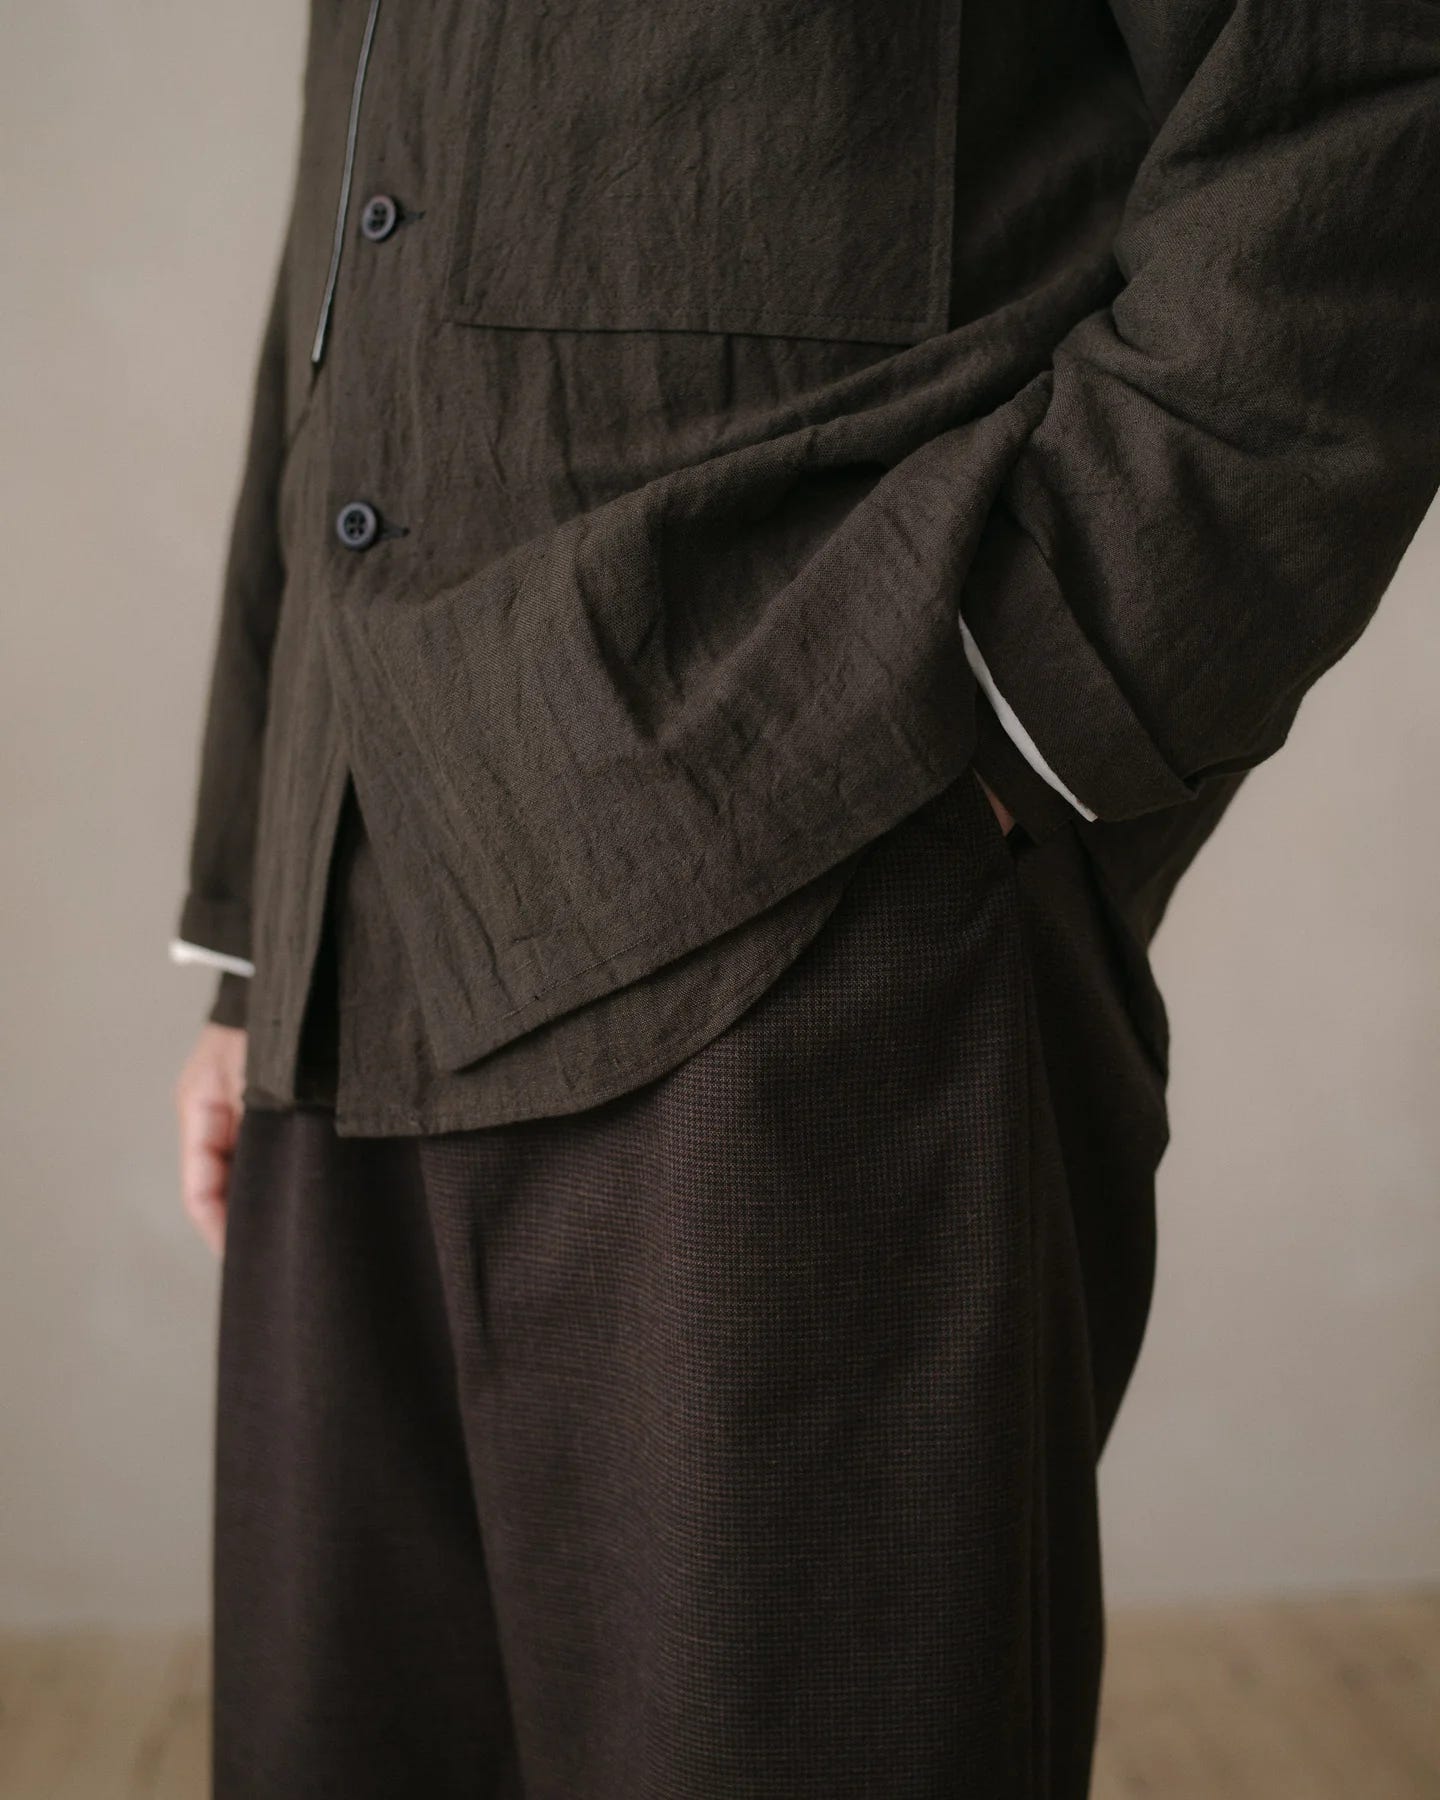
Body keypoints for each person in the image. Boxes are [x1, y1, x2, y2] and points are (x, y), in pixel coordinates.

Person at [170, 2, 1440, 1793]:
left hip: (805, 902)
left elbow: (1360, 109)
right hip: (350, 926)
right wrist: (254, 925)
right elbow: (343, 279)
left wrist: (1004, 706)